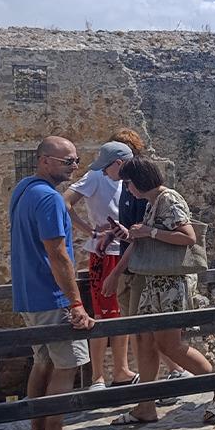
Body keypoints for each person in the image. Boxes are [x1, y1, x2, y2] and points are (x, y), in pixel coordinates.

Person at [102, 156, 215, 423]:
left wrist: (149, 232)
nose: (127, 188)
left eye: (128, 183)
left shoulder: (168, 199)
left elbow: (188, 236)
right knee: (146, 341)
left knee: (170, 345)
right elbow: (147, 241)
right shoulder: (153, 202)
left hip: (169, 285)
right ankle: (146, 405)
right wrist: (131, 238)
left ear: (139, 180)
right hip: (155, 284)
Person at [9, 136, 97, 430]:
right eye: (67, 161)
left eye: (76, 160)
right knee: (68, 364)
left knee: (43, 363)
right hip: (52, 297)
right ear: (44, 160)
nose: (74, 166)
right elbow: (58, 254)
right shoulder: (50, 199)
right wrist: (75, 303)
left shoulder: (22, 190)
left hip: (29, 296)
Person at [64, 141, 138, 390]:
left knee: (122, 314)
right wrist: (91, 231)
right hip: (105, 253)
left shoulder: (129, 179)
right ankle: (97, 376)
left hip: (127, 251)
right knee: (103, 315)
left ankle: (121, 371)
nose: (105, 171)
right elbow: (65, 203)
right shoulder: (96, 176)